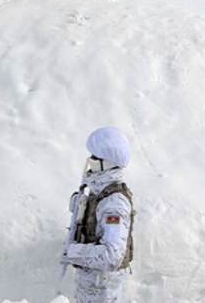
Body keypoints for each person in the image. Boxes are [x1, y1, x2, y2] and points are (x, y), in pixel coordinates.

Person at [60, 126, 134, 303]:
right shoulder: (99, 194)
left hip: (102, 289)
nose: (90, 162)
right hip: (92, 285)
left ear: (107, 163)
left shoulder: (114, 203)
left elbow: (112, 255)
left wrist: (73, 251)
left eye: (95, 158)